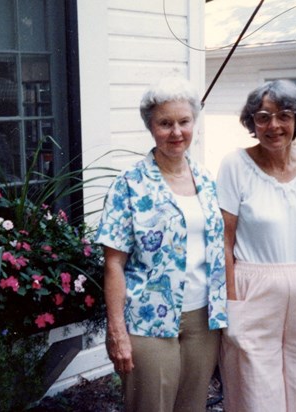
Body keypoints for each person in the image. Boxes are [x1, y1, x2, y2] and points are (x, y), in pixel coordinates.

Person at [95, 77, 228, 412]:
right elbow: (113, 263)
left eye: (184, 122)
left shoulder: (207, 181)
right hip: (147, 321)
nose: (176, 132)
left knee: (193, 406)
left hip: (203, 318)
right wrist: (117, 332)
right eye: (165, 123)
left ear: (194, 123)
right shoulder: (129, 185)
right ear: (150, 127)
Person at [217, 79, 296, 412]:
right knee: (255, 389)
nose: (274, 125)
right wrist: (231, 300)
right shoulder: (234, 166)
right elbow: (224, 240)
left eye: (284, 115)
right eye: (263, 116)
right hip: (252, 288)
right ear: (251, 122)